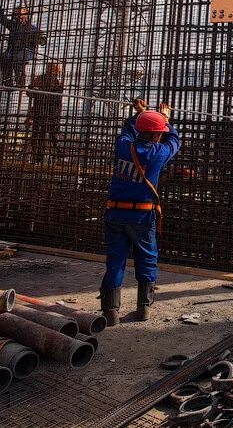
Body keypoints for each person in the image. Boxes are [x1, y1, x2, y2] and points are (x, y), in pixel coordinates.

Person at [99, 99, 180, 326]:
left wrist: (140, 113)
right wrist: (165, 118)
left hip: (115, 215)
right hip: (142, 218)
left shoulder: (124, 146)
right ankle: (143, 309)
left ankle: (110, 313)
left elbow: (127, 128)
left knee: (115, 261)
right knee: (146, 259)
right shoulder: (158, 153)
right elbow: (174, 139)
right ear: (156, 135)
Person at [0, 0, 45, 87]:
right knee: (4, 58)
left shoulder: (33, 29)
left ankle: (20, 82)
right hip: (12, 51)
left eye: (21, 17)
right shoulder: (13, 25)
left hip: (26, 51)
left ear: (26, 17)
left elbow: (43, 41)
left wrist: (40, 39)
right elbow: (0, 17)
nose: (18, 19)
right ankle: (8, 82)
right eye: (16, 16)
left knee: (18, 59)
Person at [26, 63, 64, 164]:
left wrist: (36, 90)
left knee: (49, 134)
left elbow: (55, 97)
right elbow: (30, 92)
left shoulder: (56, 82)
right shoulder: (44, 79)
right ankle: (41, 156)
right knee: (42, 134)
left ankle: (57, 153)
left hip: (50, 113)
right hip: (43, 113)